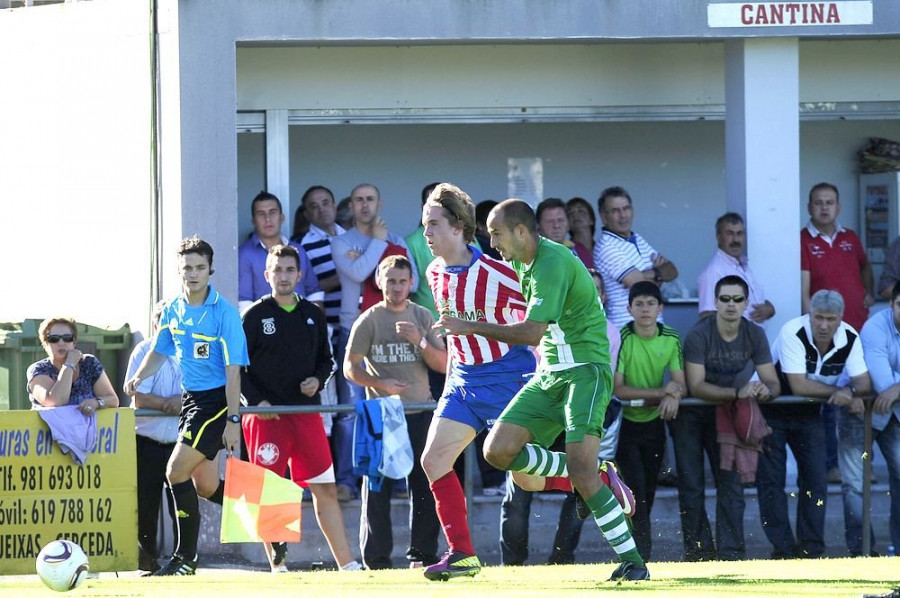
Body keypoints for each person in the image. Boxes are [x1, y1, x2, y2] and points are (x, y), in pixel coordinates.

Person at [437, 199, 648, 582]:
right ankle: (598, 474)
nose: (492, 241)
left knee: (575, 474)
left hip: (586, 372)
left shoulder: (552, 262)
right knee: (497, 451)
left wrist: (471, 326)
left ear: (520, 231)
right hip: (550, 373)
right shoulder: (520, 262)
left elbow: (530, 332)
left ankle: (633, 562)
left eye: (497, 233)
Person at [414, 183, 536, 578]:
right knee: (433, 459)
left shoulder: (500, 273)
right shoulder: (433, 272)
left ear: (459, 227)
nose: (426, 233)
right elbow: (455, 335)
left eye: (433, 224)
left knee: (527, 480)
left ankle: (596, 475)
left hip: (507, 380)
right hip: (462, 381)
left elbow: (540, 322)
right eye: (423, 224)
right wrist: (452, 376)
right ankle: (462, 553)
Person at [124, 236, 249, 576]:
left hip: (216, 402)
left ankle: (185, 559)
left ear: (210, 270)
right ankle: (269, 519)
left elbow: (233, 370)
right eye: (186, 268)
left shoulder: (225, 314)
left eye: (199, 267)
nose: (193, 274)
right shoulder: (176, 308)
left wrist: (233, 419)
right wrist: (137, 377)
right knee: (206, 486)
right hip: (193, 402)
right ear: (179, 272)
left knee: (174, 472)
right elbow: (160, 349)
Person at [240, 244, 362, 572]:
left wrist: (317, 380)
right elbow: (236, 370)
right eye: (277, 270)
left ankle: (348, 566)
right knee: (271, 494)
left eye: (289, 270)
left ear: (300, 274)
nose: (283, 276)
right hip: (267, 419)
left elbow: (327, 361)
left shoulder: (314, 314)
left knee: (325, 489)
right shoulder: (252, 316)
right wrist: (259, 403)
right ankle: (279, 570)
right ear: (267, 275)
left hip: (307, 416)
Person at [499, 268, 622, 567]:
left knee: (581, 488)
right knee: (518, 492)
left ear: (602, 296)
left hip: (580, 415)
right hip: (544, 414)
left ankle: (561, 561)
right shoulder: (544, 324)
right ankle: (512, 567)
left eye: (593, 289)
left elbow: (599, 384)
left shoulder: (610, 332)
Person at [344, 255, 444, 570]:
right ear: (380, 282)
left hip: (420, 411)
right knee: (376, 488)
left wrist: (420, 341)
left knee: (425, 486)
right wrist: (379, 382)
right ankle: (376, 560)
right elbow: (349, 367)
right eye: (391, 281)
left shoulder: (423, 316)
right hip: (381, 413)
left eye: (402, 281)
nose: (397, 287)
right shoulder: (369, 319)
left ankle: (423, 555)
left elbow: (443, 364)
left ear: (411, 283)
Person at [759, 289, 870, 559]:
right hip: (773, 407)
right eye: (818, 317)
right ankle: (782, 549)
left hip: (810, 412)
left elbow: (863, 383)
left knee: (816, 479)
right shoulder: (792, 330)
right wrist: (840, 393)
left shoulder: (850, 336)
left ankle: (811, 549)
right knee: (772, 481)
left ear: (840, 319)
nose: (823, 325)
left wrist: (852, 394)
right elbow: (798, 385)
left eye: (830, 319)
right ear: (809, 315)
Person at [677, 274, 780, 561]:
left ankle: (731, 553)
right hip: (692, 414)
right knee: (692, 485)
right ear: (715, 302)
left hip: (728, 414)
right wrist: (739, 392)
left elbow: (773, 382)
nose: (731, 305)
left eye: (737, 299)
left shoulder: (755, 333)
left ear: (747, 303)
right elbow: (696, 386)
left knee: (731, 485)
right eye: (725, 299)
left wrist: (762, 391)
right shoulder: (700, 333)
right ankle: (698, 553)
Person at [331, 183, 419, 501]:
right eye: (359, 200)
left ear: (379, 203)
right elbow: (357, 273)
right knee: (350, 411)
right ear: (351, 205)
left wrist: (381, 247)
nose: (365, 205)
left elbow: (415, 281)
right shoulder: (341, 242)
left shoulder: (396, 241)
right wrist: (379, 246)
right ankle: (347, 480)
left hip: (390, 334)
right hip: (351, 330)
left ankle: (395, 479)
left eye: (370, 199)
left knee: (392, 408)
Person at [801, 182, 874, 484]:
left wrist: (868, 291)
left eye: (830, 202)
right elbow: (804, 290)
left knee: (862, 401)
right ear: (810, 207)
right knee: (832, 405)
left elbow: (865, 267)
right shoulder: (803, 240)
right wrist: (814, 328)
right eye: (818, 202)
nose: (824, 207)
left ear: (838, 206)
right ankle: (833, 466)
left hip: (858, 330)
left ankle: (860, 469)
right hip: (827, 338)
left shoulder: (850, 238)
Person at [613, 281, 685, 562]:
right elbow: (619, 389)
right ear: (629, 308)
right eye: (639, 304)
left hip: (654, 425)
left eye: (651, 303)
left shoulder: (671, 337)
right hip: (625, 426)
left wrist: (673, 396)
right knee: (635, 491)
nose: (645, 309)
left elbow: (680, 383)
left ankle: (637, 553)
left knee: (649, 491)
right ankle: (639, 556)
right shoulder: (622, 337)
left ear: (660, 308)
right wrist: (663, 392)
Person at [125, 301, 183, 575]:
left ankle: (183, 557)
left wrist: (180, 402)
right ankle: (146, 561)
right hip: (146, 440)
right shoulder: (143, 351)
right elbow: (139, 397)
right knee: (146, 505)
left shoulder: (195, 350)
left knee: (182, 505)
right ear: (155, 324)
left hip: (182, 442)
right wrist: (170, 404)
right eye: (163, 322)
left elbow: (199, 393)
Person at [845, 281, 900, 556]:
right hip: (861, 409)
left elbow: (892, 388)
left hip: (895, 413)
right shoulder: (875, 328)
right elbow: (882, 382)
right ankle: (861, 552)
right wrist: (894, 387)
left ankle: (899, 549)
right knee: (855, 484)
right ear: (891, 304)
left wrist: (898, 388)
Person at [594, 185, 678, 329]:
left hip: (653, 329)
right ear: (604, 217)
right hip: (626, 330)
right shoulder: (606, 247)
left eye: (626, 208)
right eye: (615, 211)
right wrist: (658, 275)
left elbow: (672, 270)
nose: (623, 215)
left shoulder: (637, 239)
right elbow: (642, 287)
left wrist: (652, 274)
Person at [238, 190, 323, 311]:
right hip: (265, 326)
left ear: (282, 217)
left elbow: (314, 293)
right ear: (253, 220)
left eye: (273, 212)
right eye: (261, 214)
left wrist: (317, 324)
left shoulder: (298, 250)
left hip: (302, 324)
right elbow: (244, 302)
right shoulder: (244, 254)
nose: (268, 219)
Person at [28, 317, 119, 413]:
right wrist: (69, 364)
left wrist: (96, 403)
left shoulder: (89, 363)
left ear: (74, 342)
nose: (61, 343)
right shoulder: (38, 370)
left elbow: (113, 400)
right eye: (54, 339)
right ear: (45, 343)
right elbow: (56, 402)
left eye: (67, 338)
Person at [697, 212, 775, 325]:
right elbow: (707, 316)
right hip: (734, 341)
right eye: (729, 233)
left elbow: (751, 303)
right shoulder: (714, 272)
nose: (735, 240)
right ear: (718, 237)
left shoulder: (744, 267)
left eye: (739, 234)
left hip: (753, 339)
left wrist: (769, 309)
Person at [536, 197, 592, 268]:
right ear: (538, 227)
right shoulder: (530, 256)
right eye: (549, 221)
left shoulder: (580, 251)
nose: (556, 225)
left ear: (568, 224)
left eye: (561, 220)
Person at [566, 196, 596, 270]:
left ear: (591, 220)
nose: (575, 215)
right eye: (570, 213)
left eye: (581, 211)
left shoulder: (602, 246)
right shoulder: (567, 249)